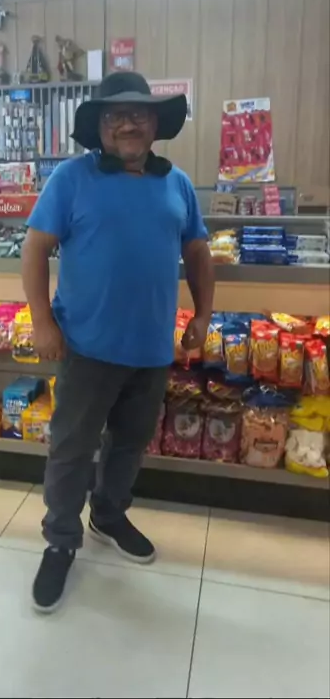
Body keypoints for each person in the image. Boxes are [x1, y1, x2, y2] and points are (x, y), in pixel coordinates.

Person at [22, 71, 214, 613]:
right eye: (115, 115)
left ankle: (107, 515)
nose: (128, 124)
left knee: (129, 444)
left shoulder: (177, 184)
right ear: (100, 127)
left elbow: (198, 251)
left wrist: (204, 314)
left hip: (151, 348)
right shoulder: (71, 178)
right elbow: (34, 249)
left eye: (138, 114)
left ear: (155, 123)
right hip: (86, 345)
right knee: (72, 448)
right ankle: (61, 539)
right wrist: (42, 321)